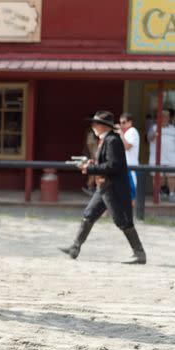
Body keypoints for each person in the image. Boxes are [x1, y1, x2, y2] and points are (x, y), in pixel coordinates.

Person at [60, 111, 146, 264]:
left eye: (96, 123)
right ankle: (75, 247)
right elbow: (107, 163)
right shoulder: (107, 140)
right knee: (89, 214)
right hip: (104, 187)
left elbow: (113, 166)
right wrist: (92, 164)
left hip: (113, 189)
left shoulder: (112, 141)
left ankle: (139, 254)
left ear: (103, 126)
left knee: (123, 221)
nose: (93, 126)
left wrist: (90, 169)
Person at [147, 109, 175, 202]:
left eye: (166, 117)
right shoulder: (154, 127)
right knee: (158, 177)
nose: (165, 119)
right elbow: (148, 138)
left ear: (169, 118)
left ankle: (171, 194)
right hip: (157, 157)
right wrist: (154, 135)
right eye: (162, 117)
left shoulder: (173, 129)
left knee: (172, 176)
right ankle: (157, 194)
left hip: (171, 157)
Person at [116, 112, 140, 201]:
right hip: (124, 166)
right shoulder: (125, 133)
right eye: (120, 123)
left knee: (131, 194)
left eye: (124, 122)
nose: (121, 125)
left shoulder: (132, 131)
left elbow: (127, 147)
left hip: (131, 166)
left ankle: (132, 214)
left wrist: (121, 134)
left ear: (130, 122)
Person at [82, 126, 99, 196]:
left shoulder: (97, 134)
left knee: (95, 173)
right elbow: (89, 145)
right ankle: (88, 187)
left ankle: (90, 188)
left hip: (96, 155)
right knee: (93, 173)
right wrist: (92, 155)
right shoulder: (91, 133)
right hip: (92, 156)